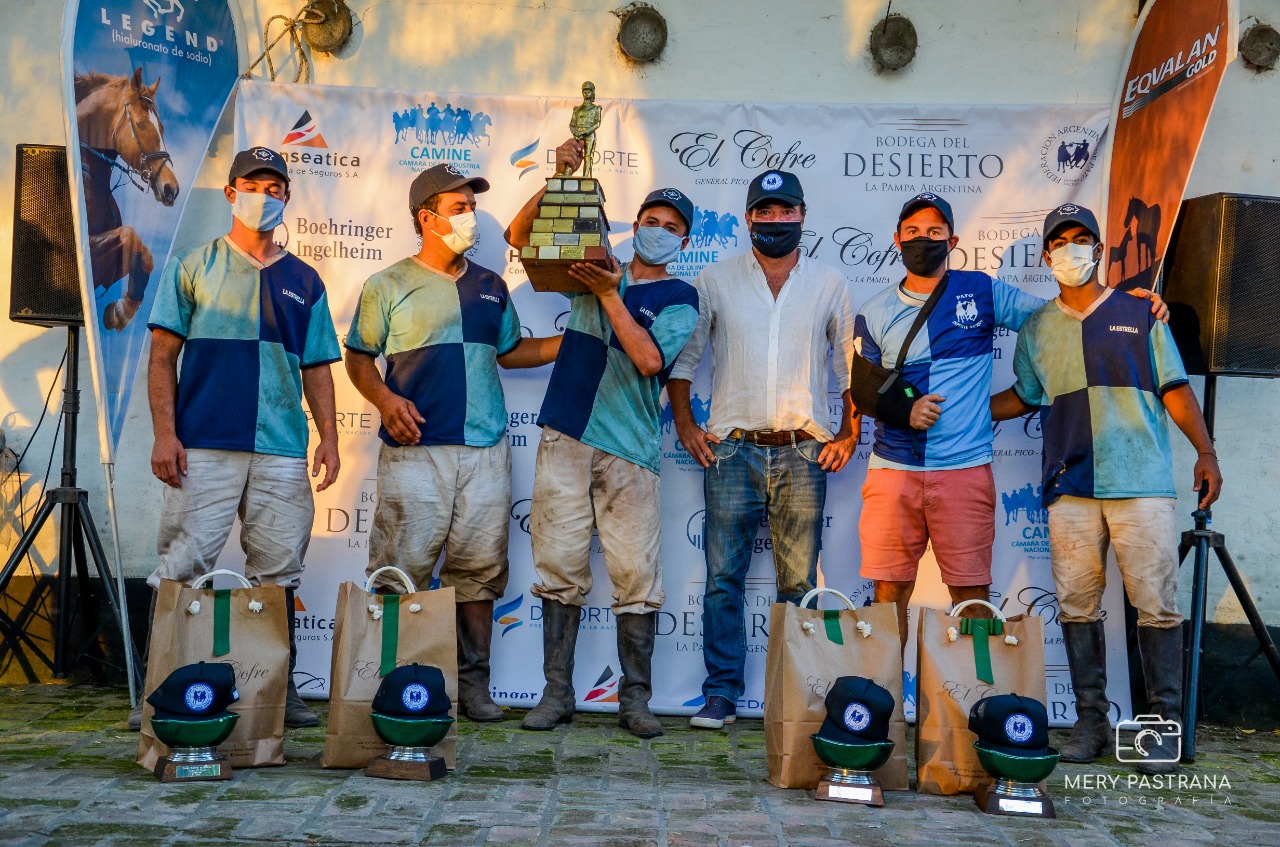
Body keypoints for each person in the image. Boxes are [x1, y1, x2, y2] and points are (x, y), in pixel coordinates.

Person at [853, 194, 1168, 646]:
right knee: (888, 593)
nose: (924, 239)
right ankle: (882, 707)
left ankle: (972, 704)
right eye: (914, 232)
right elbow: (864, 386)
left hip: (964, 470)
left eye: (935, 232)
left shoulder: (981, 290)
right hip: (893, 471)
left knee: (972, 596)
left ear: (953, 240)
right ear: (897, 239)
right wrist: (904, 409)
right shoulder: (875, 308)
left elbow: (1054, 318)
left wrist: (1126, 306)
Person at [991, 203, 1221, 775]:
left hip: (1140, 482)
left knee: (1157, 607)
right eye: (1061, 241)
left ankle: (1160, 728)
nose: (1072, 248)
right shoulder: (1038, 326)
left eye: (1082, 238)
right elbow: (1026, 394)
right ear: (1047, 256)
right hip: (1070, 486)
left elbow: (1173, 387)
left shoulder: (1140, 312)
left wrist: (1207, 451)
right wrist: (962, 413)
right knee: (1076, 605)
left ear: (1097, 248)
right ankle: (1090, 723)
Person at [345, 162, 561, 723]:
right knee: (400, 569)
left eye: (471, 207)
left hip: (486, 451)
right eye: (459, 208)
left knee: (479, 573)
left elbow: (511, 352)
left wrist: (569, 342)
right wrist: (386, 401)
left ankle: (473, 688)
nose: (470, 218)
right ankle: (389, 686)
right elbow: (359, 357)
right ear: (426, 217)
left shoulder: (491, 286)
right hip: (416, 453)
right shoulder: (386, 284)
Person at [136, 146, 342, 730]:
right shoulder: (193, 267)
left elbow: (318, 367)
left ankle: (277, 691)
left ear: (287, 198)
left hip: (280, 446)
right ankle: (156, 693)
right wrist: (164, 435)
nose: (266, 196)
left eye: (276, 187)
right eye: (254, 185)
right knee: (183, 564)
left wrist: (328, 437)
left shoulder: (304, 279)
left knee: (278, 570)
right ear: (231, 194)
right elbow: (161, 356)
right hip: (202, 443)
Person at [505, 144, 700, 737]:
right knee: (558, 568)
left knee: (636, 577)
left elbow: (648, 360)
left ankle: (634, 700)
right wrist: (561, 178)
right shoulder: (590, 265)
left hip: (631, 449)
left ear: (684, 242)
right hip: (565, 436)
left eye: (672, 228)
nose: (658, 233)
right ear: (634, 225)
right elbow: (520, 235)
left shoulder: (680, 297)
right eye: (651, 222)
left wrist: (611, 293)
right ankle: (556, 692)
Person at [670, 169, 858, 730]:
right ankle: (721, 693)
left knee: (798, 584)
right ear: (749, 217)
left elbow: (851, 368)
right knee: (722, 579)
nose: (775, 221)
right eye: (764, 212)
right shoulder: (715, 280)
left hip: (804, 452)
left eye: (785, 212)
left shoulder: (829, 283)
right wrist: (685, 426)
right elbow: (685, 361)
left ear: (803, 215)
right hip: (732, 450)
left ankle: (792, 695)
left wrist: (848, 433)